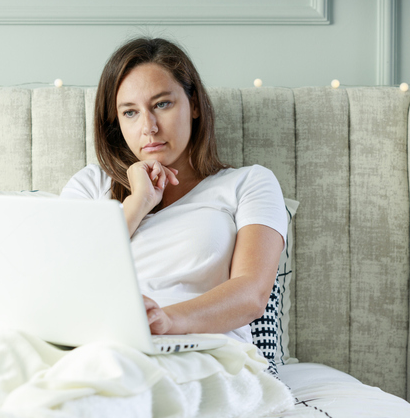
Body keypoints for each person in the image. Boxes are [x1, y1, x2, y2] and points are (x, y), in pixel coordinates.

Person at [61, 37, 286, 344]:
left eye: (162, 104)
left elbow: (252, 293)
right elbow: (64, 274)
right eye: (130, 112)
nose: (148, 127)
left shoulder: (249, 183)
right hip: (100, 342)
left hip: (200, 346)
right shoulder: (90, 185)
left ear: (194, 104)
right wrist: (138, 203)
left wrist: (165, 321)